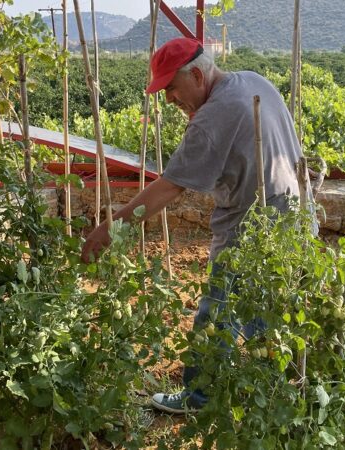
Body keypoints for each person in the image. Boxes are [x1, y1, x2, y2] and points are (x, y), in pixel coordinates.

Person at [81, 37, 315, 414]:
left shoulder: (214, 116)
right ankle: (274, 394)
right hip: (296, 213)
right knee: (269, 311)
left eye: (171, 88)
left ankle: (200, 398)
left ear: (196, 74)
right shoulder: (252, 81)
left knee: (217, 314)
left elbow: (169, 188)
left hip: (253, 226)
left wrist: (109, 229)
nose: (169, 100)